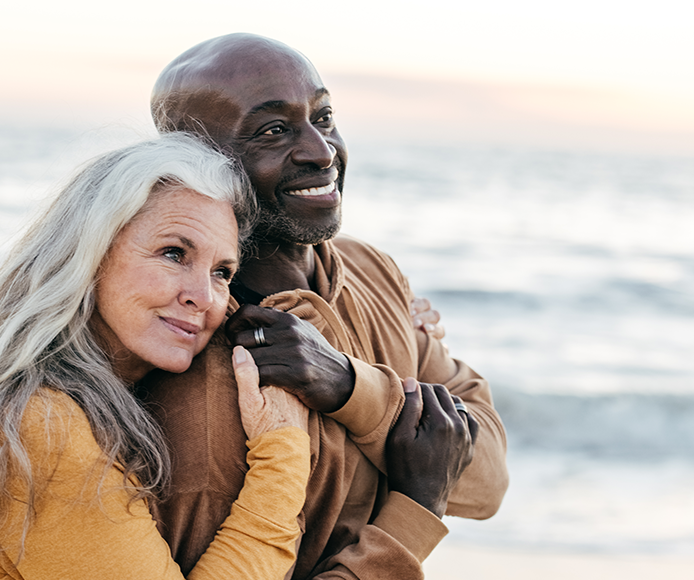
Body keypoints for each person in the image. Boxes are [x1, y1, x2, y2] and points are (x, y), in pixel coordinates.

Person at [143, 33, 510, 579]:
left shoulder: (372, 271)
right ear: (197, 163)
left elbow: (488, 484)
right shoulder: (201, 356)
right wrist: (417, 505)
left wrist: (349, 387)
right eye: (273, 130)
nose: (322, 150)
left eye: (324, 115)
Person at [0, 134, 311, 579]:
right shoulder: (44, 427)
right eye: (173, 254)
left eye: (222, 273)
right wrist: (283, 450)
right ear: (90, 251)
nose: (203, 297)